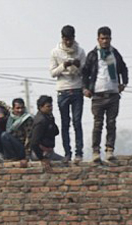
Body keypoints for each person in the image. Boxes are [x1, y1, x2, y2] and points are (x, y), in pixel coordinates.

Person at [81, 26, 128, 163]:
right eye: (102, 38)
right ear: (98, 39)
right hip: (97, 96)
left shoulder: (114, 54)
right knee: (98, 124)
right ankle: (96, 151)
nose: (105, 41)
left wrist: (124, 83)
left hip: (113, 94)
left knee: (111, 123)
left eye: (107, 38)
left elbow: (123, 69)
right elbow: (85, 72)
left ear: (110, 39)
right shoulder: (93, 54)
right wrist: (85, 88)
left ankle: (109, 150)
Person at [50, 24, 86, 162]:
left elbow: (85, 71)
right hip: (62, 90)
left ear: (74, 38)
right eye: (66, 39)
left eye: (70, 39)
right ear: (62, 38)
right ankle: (67, 153)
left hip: (77, 89)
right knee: (65, 123)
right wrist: (63, 66)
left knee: (77, 122)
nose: (68, 42)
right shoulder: (55, 52)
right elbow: (52, 73)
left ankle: (79, 153)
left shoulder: (80, 51)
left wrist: (78, 65)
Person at [29, 95, 61, 162]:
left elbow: (56, 132)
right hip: (40, 153)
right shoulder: (41, 121)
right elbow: (34, 142)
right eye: (48, 106)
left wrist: (52, 120)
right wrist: (42, 158)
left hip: (48, 152)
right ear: (41, 107)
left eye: (51, 106)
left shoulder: (48, 118)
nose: (51, 108)